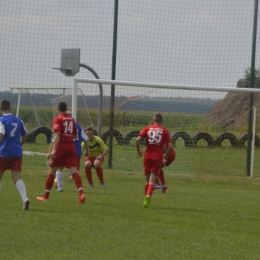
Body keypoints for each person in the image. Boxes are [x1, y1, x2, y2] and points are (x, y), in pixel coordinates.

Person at [37, 102, 86, 203]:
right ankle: (81, 193)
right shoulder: (72, 119)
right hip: (71, 146)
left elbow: (57, 134)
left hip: (61, 146)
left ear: (58, 109)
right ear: (66, 108)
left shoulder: (57, 119)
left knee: (52, 171)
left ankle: (46, 196)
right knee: (74, 171)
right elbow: (75, 136)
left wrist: (54, 149)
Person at [136, 113, 173, 208]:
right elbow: (170, 146)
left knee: (146, 180)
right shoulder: (165, 130)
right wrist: (166, 157)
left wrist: (138, 150)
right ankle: (148, 196)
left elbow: (137, 140)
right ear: (161, 121)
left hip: (147, 156)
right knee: (152, 181)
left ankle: (146, 199)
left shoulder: (147, 128)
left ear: (153, 120)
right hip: (157, 158)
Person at [0, 99, 30, 210]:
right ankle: (25, 198)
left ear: (0, 108)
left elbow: (1, 134)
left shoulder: (1, 120)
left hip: (4, 152)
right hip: (17, 152)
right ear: (10, 107)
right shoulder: (18, 120)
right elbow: (26, 134)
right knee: (16, 178)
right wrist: (20, 144)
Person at [50, 111, 90, 191]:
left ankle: (59, 188)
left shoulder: (61, 125)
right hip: (75, 152)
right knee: (75, 171)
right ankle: (80, 190)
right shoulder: (78, 126)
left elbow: (54, 140)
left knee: (59, 168)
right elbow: (86, 139)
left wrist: (52, 150)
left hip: (63, 150)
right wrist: (87, 150)